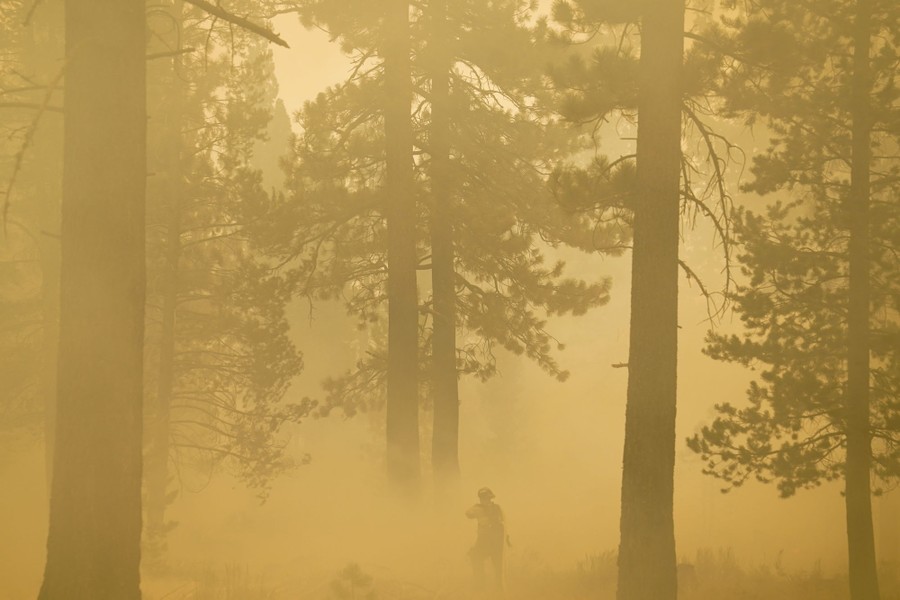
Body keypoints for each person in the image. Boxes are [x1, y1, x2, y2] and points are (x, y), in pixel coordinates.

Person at [466, 487, 507, 591]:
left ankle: (481, 586)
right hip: (498, 542)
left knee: (476, 557)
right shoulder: (498, 508)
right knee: (498, 567)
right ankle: (499, 590)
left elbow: (468, 513)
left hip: (486, 541)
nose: (485, 500)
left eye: (485, 498)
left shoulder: (478, 508)